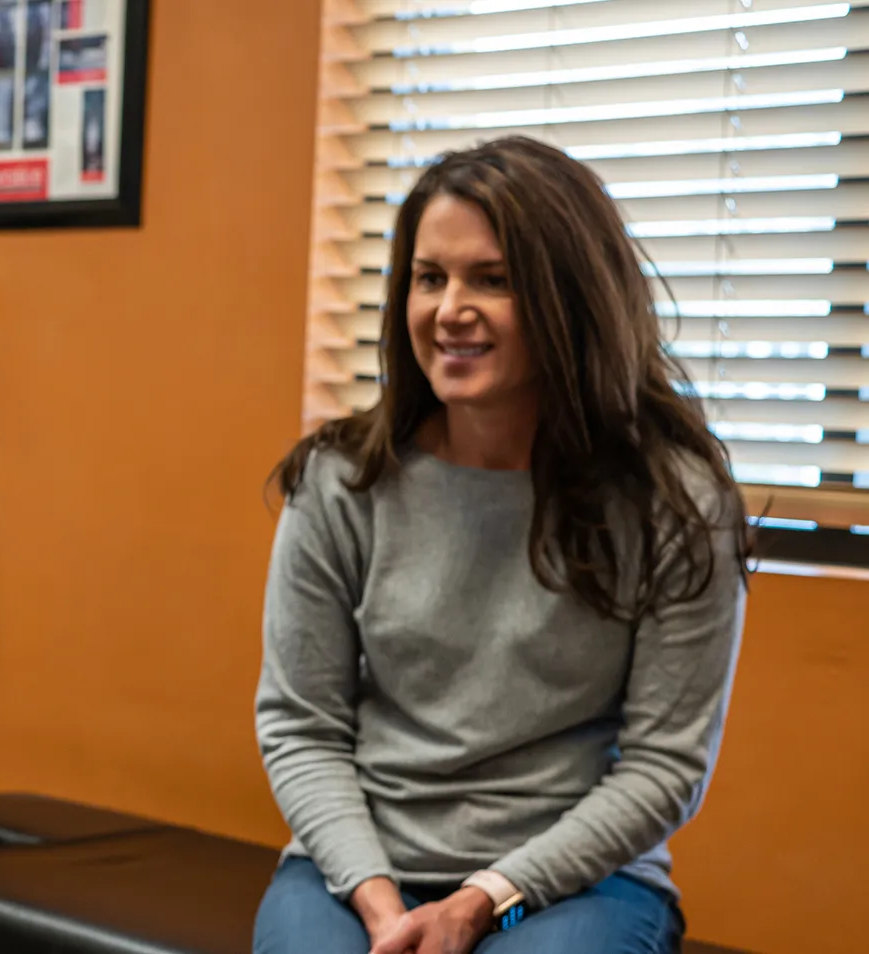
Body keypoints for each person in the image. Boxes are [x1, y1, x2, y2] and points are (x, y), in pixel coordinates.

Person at [250, 136, 746, 954]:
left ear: (569, 298)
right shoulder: (339, 481)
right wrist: (382, 910)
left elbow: (664, 767)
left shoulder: (676, 503)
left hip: (574, 884)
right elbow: (300, 727)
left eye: (493, 279)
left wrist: (482, 900)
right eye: (428, 277)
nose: (449, 309)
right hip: (356, 870)